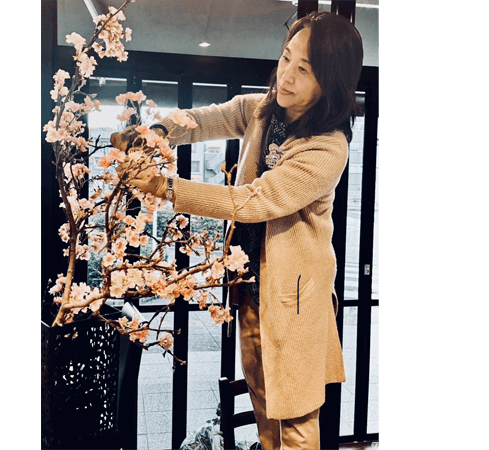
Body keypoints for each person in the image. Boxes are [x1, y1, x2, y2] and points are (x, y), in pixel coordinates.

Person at [113, 11, 363, 450]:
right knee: (263, 400)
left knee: (297, 418)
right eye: (286, 58)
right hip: (250, 289)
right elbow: (209, 118)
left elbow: (253, 201)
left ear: (332, 82)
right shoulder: (267, 110)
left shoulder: (328, 147)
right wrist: (156, 134)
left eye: (304, 69)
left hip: (295, 301)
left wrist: (164, 187)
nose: (286, 76)